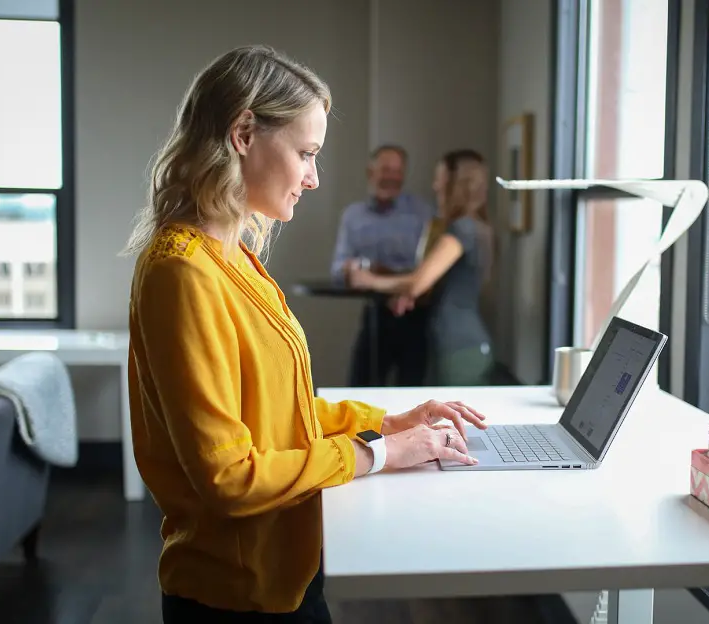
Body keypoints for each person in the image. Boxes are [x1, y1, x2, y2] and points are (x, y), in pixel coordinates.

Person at [122, 45, 486, 623]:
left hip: (286, 572)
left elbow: (274, 414)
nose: (314, 178)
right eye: (306, 154)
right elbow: (228, 476)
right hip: (235, 597)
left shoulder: (232, 256)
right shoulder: (182, 273)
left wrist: (382, 423)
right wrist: (378, 454)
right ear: (244, 132)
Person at [348, 150, 495, 386]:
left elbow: (419, 280)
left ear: (456, 184)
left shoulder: (462, 230)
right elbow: (435, 284)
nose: (435, 186)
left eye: (440, 178)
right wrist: (410, 294)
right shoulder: (472, 227)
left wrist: (368, 280)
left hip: (458, 347)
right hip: (460, 345)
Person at [329, 146, 434, 387]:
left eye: (398, 171)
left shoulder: (423, 213)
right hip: (375, 316)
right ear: (370, 171)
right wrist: (360, 270)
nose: (392, 177)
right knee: (360, 389)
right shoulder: (353, 216)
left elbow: (427, 271)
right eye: (386, 169)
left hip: (415, 318)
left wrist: (374, 273)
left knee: (412, 396)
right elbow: (338, 270)